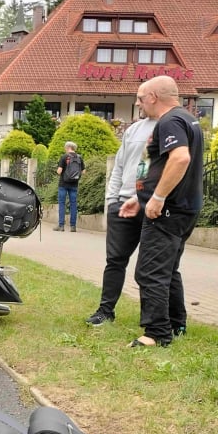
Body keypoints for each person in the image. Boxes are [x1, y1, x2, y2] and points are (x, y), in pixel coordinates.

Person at [119, 75, 203, 348]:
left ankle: (156, 333)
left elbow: (180, 158)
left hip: (168, 211)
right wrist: (141, 198)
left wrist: (157, 198)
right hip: (182, 208)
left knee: (149, 272)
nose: (139, 103)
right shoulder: (187, 119)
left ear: (154, 97)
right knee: (168, 270)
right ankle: (176, 324)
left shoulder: (170, 121)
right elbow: (164, 166)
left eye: (141, 98)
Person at [84, 114, 156, 326]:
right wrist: (112, 201)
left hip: (152, 205)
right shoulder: (133, 130)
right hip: (122, 204)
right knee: (115, 260)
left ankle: (154, 317)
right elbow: (119, 166)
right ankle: (106, 310)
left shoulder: (171, 126)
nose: (138, 103)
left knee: (151, 266)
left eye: (142, 98)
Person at [54, 141, 84, 231]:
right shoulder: (79, 157)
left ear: (67, 147)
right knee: (73, 204)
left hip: (63, 184)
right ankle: (73, 226)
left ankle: (61, 226)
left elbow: (59, 171)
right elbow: (83, 171)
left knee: (62, 203)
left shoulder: (64, 157)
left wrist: (59, 172)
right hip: (74, 184)